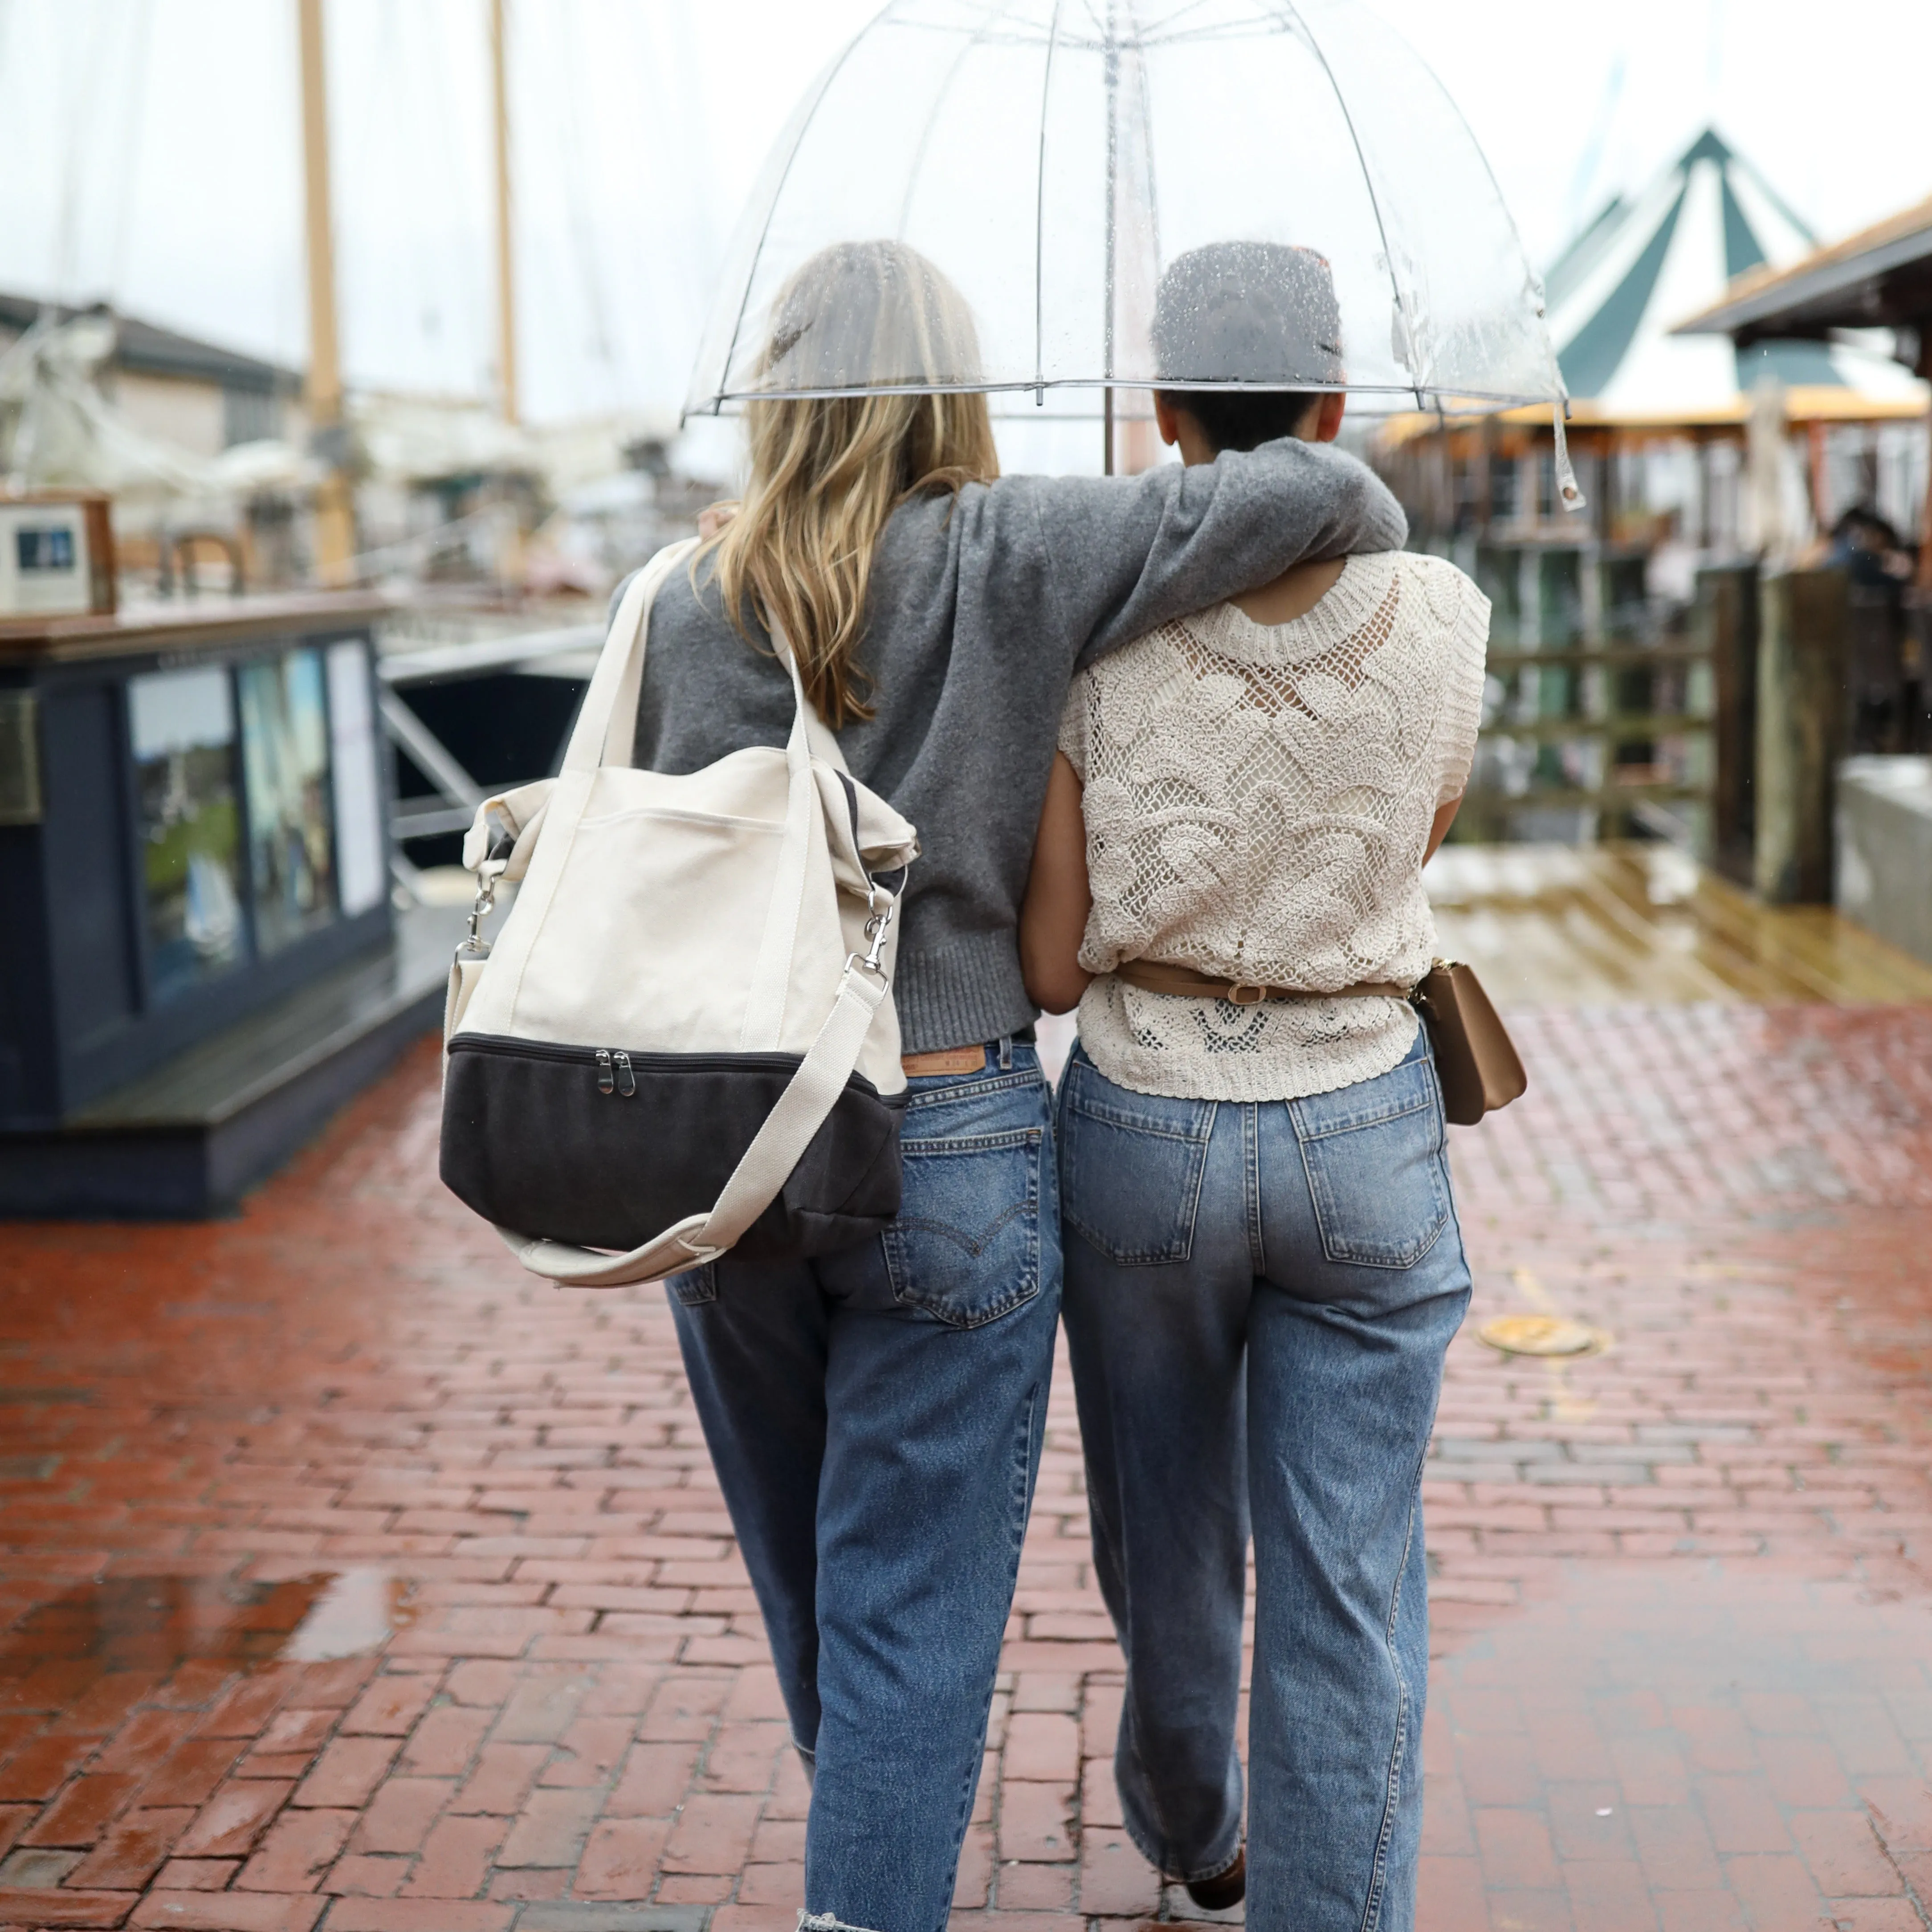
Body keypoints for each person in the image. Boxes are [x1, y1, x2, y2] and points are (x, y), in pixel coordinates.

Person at [628, 238, 1407, 1932]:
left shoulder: (683, 602)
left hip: (734, 1148)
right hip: (954, 1124)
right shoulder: (1018, 550)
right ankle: (872, 1886)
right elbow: (1325, 495)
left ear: (780, 390)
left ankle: (871, 1861)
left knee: (819, 1597)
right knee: (907, 1612)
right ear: (951, 394)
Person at [1018, 240, 1489, 1932]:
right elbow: (1414, 842)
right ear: (1336, 406)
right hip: (1366, 1119)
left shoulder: (1093, 628)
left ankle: (1194, 1827)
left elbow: (1054, 966)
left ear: (1163, 415)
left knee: (1161, 1532)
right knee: (1347, 1579)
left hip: (1142, 1127)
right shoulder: (1443, 617)